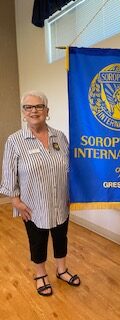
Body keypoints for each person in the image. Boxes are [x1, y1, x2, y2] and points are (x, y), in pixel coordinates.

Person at [0, 91, 80, 296]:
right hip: (33, 204)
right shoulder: (15, 141)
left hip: (61, 200)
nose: (34, 110)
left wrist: (73, 192)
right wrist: (15, 200)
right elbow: (9, 173)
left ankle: (62, 269)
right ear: (24, 112)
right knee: (37, 240)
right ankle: (40, 273)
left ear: (47, 111)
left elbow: (71, 166)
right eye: (29, 107)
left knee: (61, 236)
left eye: (39, 106)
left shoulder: (59, 137)